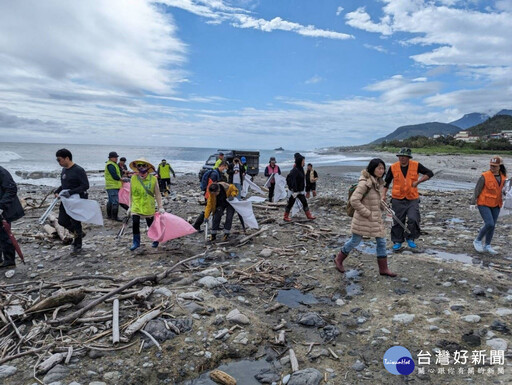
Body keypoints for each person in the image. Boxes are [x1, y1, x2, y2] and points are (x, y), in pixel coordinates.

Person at [334, 159, 396, 276]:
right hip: (363, 219)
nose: (381, 171)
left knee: (382, 241)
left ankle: (383, 269)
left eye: (383, 168)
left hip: (375, 218)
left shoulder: (378, 182)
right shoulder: (365, 183)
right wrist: (367, 213)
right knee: (355, 241)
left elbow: (376, 200)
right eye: (379, 168)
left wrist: (384, 206)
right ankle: (339, 259)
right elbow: (354, 200)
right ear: (372, 168)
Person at [382, 148, 433, 251]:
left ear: (408, 158)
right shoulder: (393, 167)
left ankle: (411, 238)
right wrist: (383, 195)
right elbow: (386, 183)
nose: (402, 158)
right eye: (400, 156)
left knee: (413, 218)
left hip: (412, 198)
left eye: (404, 157)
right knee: (397, 220)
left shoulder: (416, 165)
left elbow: (429, 173)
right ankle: (397, 241)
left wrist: (418, 182)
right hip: (397, 198)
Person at [54, 148, 90, 253]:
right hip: (66, 200)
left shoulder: (78, 170)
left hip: (76, 200)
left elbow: (85, 185)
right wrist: (57, 191)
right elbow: (65, 185)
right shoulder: (64, 170)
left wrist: (71, 192)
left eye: (59, 160)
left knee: (75, 221)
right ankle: (78, 234)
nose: (58, 162)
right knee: (62, 220)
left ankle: (78, 244)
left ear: (67, 158)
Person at [471, 156, 507, 255]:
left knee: (492, 226)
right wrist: (472, 201)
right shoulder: (485, 176)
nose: (492, 167)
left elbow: (505, 191)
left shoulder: (504, 177)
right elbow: (477, 189)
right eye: (491, 165)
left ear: (500, 166)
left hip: (496, 204)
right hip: (484, 203)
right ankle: (477, 240)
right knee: (489, 223)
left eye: (495, 166)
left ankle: (487, 245)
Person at [128, 158, 165, 251]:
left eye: (143, 165)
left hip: (148, 205)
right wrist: (129, 206)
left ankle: (155, 239)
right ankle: (136, 242)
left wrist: (160, 207)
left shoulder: (153, 179)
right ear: (136, 167)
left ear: (148, 167)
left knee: (151, 224)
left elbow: (157, 194)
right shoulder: (133, 178)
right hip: (136, 206)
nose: (141, 168)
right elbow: (130, 193)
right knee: (135, 223)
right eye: (139, 165)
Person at [0, 166, 25, 269]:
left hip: (3, 208)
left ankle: (9, 261)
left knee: (4, 234)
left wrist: (2, 206)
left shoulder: (2, 172)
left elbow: (11, 188)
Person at [192, 162, 228, 231]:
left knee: (215, 209)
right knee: (207, 210)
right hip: (210, 194)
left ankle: (215, 225)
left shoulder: (217, 173)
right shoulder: (214, 174)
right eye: (225, 168)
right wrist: (209, 196)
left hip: (213, 193)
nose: (225, 170)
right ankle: (196, 225)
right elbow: (211, 186)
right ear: (222, 166)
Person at [283, 154, 315, 221]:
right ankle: (285, 217)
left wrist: (306, 189)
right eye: (303, 161)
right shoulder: (295, 170)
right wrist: (295, 191)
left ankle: (309, 216)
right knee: (290, 204)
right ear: (299, 161)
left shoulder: (301, 169)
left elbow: (303, 180)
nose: (304, 162)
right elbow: (293, 181)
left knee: (304, 203)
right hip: (294, 191)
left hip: (300, 191)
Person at [104, 151, 123, 221]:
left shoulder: (112, 164)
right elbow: (115, 176)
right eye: (115, 157)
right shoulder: (111, 165)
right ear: (110, 158)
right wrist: (122, 179)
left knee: (110, 201)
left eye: (116, 157)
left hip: (111, 186)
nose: (116, 158)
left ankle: (109, 216)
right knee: (115, 202)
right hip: (112, 186)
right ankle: (114, 217)